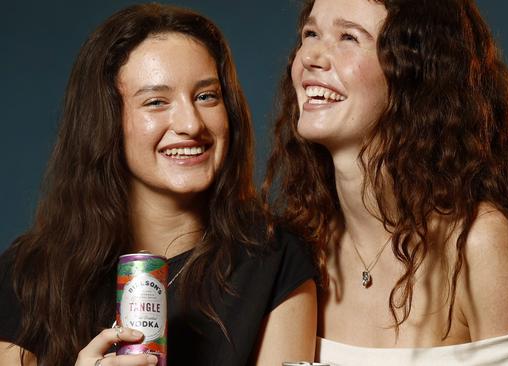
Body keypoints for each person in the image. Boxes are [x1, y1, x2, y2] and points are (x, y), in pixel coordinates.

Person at [263, 0, 508, 364]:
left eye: (348, 37)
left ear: (415, 72)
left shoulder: (477, 244)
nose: (312, 56)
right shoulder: (297, 251)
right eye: (310, 33)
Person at [0, 4, 317, 366]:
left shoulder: (276, 261)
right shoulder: (28, 273)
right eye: (156, 102)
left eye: (206, 96)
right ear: (106, 123)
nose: (190, 123)